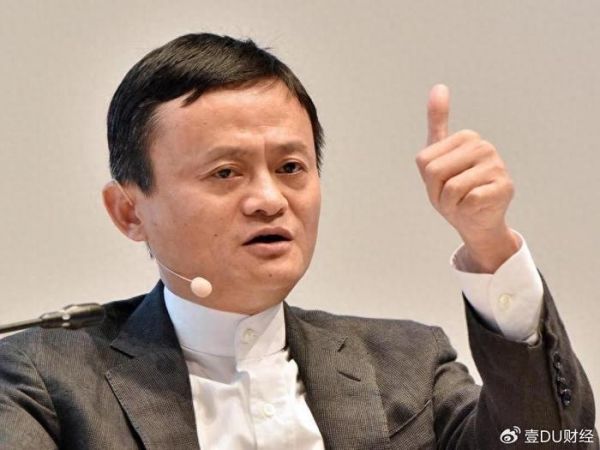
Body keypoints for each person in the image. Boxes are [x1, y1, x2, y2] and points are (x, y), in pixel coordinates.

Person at [0, 33, 596, 449]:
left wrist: (489, 243)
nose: (269, 198)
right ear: (130, 211)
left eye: (291, 167)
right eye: (225, 173)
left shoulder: (408, 367)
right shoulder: (46, 381)